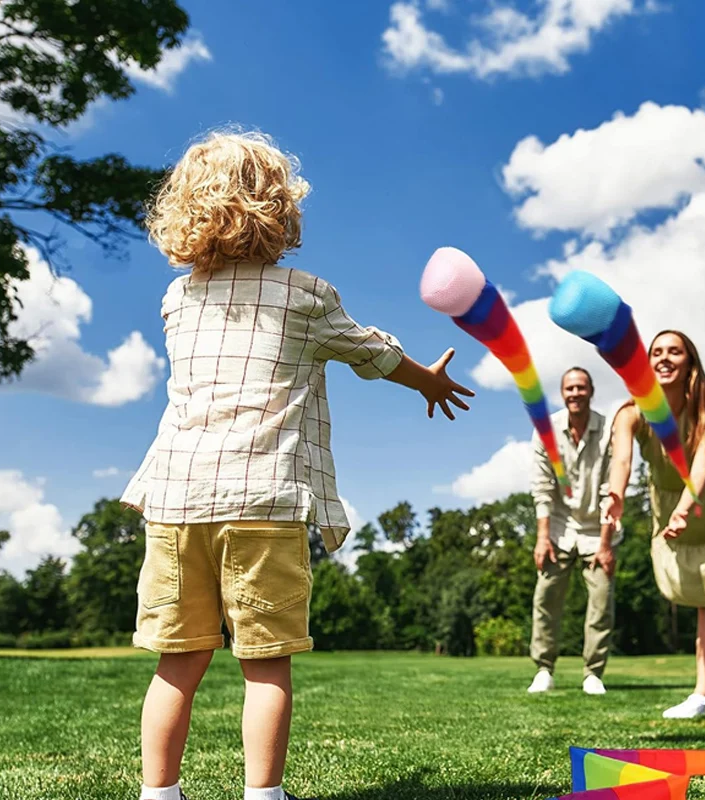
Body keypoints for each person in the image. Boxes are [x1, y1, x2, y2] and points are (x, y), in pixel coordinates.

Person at [121, 129, 474, 800]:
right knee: (265, 663)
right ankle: (263, 795)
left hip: (174, 500)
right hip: (262, 499)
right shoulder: (306, 295)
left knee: (178, 661)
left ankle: (158, 794)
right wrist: (427, 380)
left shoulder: (177, 301)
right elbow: (370, 352)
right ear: (277, 207)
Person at [605, 330, 705, 719]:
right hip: (668, 504)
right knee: (690, 589)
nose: (664, 358)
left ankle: (700, 696)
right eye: (656, 352)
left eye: (675, 351)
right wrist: (616, 495)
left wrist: (686, 508)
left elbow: (704, 467)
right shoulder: (631, 412)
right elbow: (622, 461)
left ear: (690, 362)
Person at [528, 367, 620, 696]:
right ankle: (544, 670)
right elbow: (542, 488)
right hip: (558, 526)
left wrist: (606, 545)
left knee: (600, 601)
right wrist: (542, 538)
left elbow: (613, 489)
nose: (575, 393)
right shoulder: (546, 431)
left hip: (600, 529)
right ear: (562, 393)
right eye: (569, 388)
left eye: (581, 387)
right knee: (546, 598)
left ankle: (593, 673)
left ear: (591, 391)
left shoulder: (610, 429)